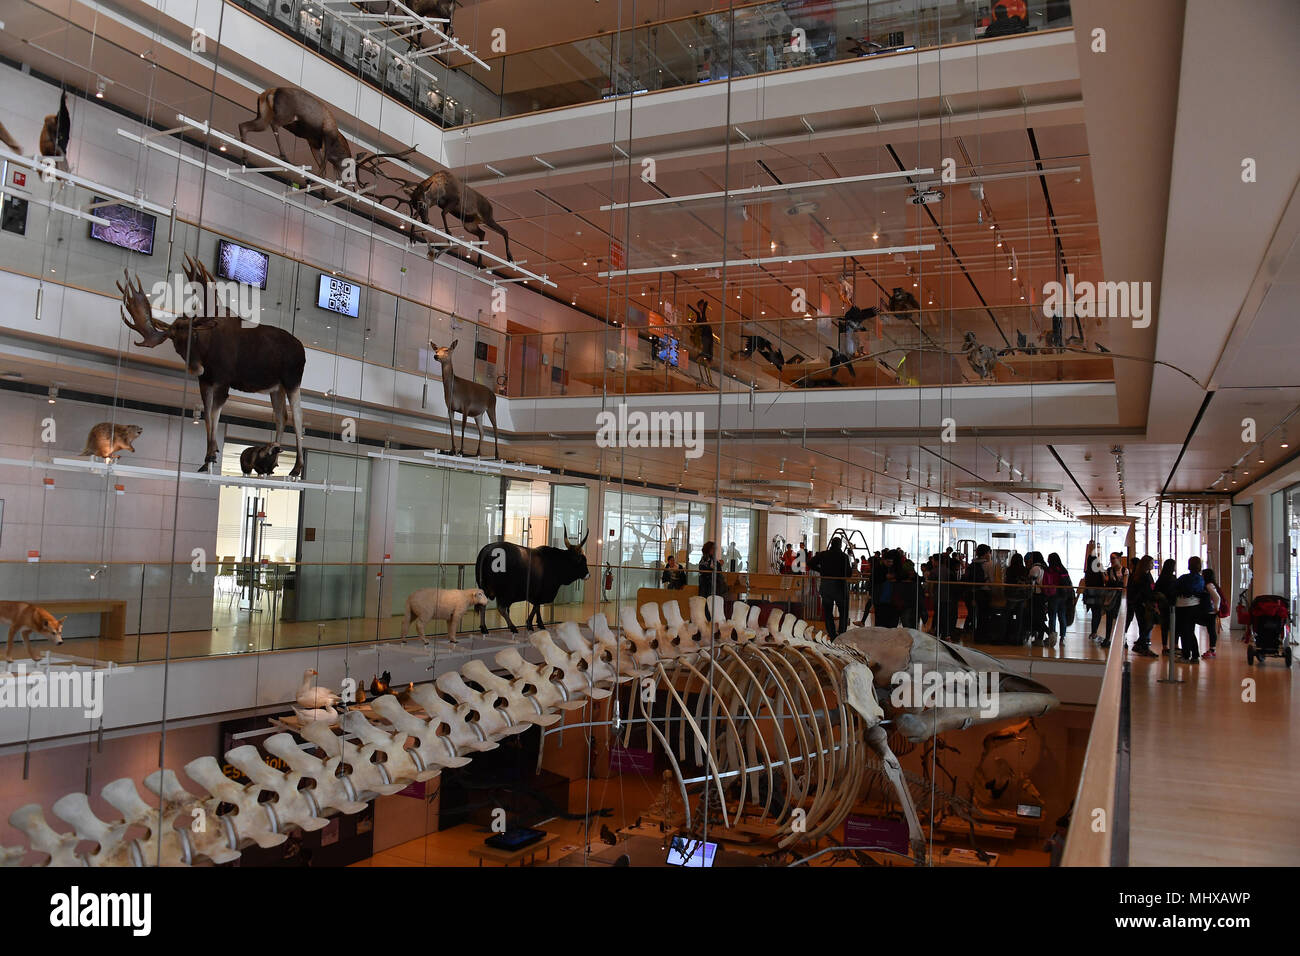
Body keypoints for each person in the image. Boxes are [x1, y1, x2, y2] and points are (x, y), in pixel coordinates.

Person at [808, 536, 852, 639]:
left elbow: (810, 563)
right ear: (840, 545)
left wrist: (821, 571)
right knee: (843, 612)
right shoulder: (843, 556)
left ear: (831, 543)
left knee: (828, 612)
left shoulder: (823, 554)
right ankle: (841, 634)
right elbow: (848, 573)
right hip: (840, 586)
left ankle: (832, 635)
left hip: (826, 586)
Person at [1173, 556, 1206, 663]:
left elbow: (1174, 588)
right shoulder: (1200, 579)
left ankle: (1186, 655)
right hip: (1194, 606)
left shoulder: (1183, 578)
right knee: (1190, 631)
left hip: (1182, 606)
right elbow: (1197, 591)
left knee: (1184, 631)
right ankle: (1195, 655)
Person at [1126, 555, 1158, 657]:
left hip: (1140, 604)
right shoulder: (1143, 576)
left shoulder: (1141, 575)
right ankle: (1143, 646)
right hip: (1142, 604)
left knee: (1145, 625)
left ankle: (1141, 645)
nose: (1153, 565)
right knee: (1146, 625)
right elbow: (1144, 591)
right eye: (1152, 563)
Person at [1042, 552, 1072, 646]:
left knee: (1052, 617)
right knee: (1062, 617)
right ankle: (1062, 638)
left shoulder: (1049, 570)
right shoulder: (1063, 570)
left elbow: (1045, 582)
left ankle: (1052, 637)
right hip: (1063, 596)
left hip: (1052, 596)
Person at [1154, 558, 1178, 656]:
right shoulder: (1172, 578)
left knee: (1164, 626)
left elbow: (1156, 591)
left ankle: (1165, 646)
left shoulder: (1161, 578)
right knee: (1174, 626)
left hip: (1162, 605)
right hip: (1172, 604)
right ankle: (1175, 645)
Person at [1201, 568, 1224, 659]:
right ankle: (1212, 649)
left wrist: (1216, 608)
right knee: (1211, 630)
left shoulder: (1209, 585)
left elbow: (1217, 597)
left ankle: (1212, 650)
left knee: (1211, 630)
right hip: (1211, 610)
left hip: (1211, 611)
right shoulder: (1211, 585)